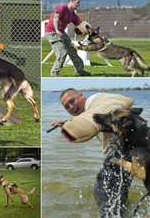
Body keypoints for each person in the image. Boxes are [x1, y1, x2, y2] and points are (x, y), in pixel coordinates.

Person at [51, 88, 134, 217]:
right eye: (67, 107)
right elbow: (91, 122)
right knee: (119, 194)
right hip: (129, 153)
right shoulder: (90, 112)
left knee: (101, 191)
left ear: (81, 96)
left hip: (123, 151)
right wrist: (66, 124)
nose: (71, 107)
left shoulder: (97, 100)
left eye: (72, 101)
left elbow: (106, 109)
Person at [45, 0, 91, 77]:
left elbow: (81, 25)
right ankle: (54, 73)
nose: (79, 4)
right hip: (52, 32)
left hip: (61, 32)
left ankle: (79, 70)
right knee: (62, 52)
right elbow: (55, 19)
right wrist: (57, 30)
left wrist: (90, 31)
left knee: (72, 50)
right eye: (77, 2)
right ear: (72, 2)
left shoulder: (73, 15)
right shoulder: (62, 8)